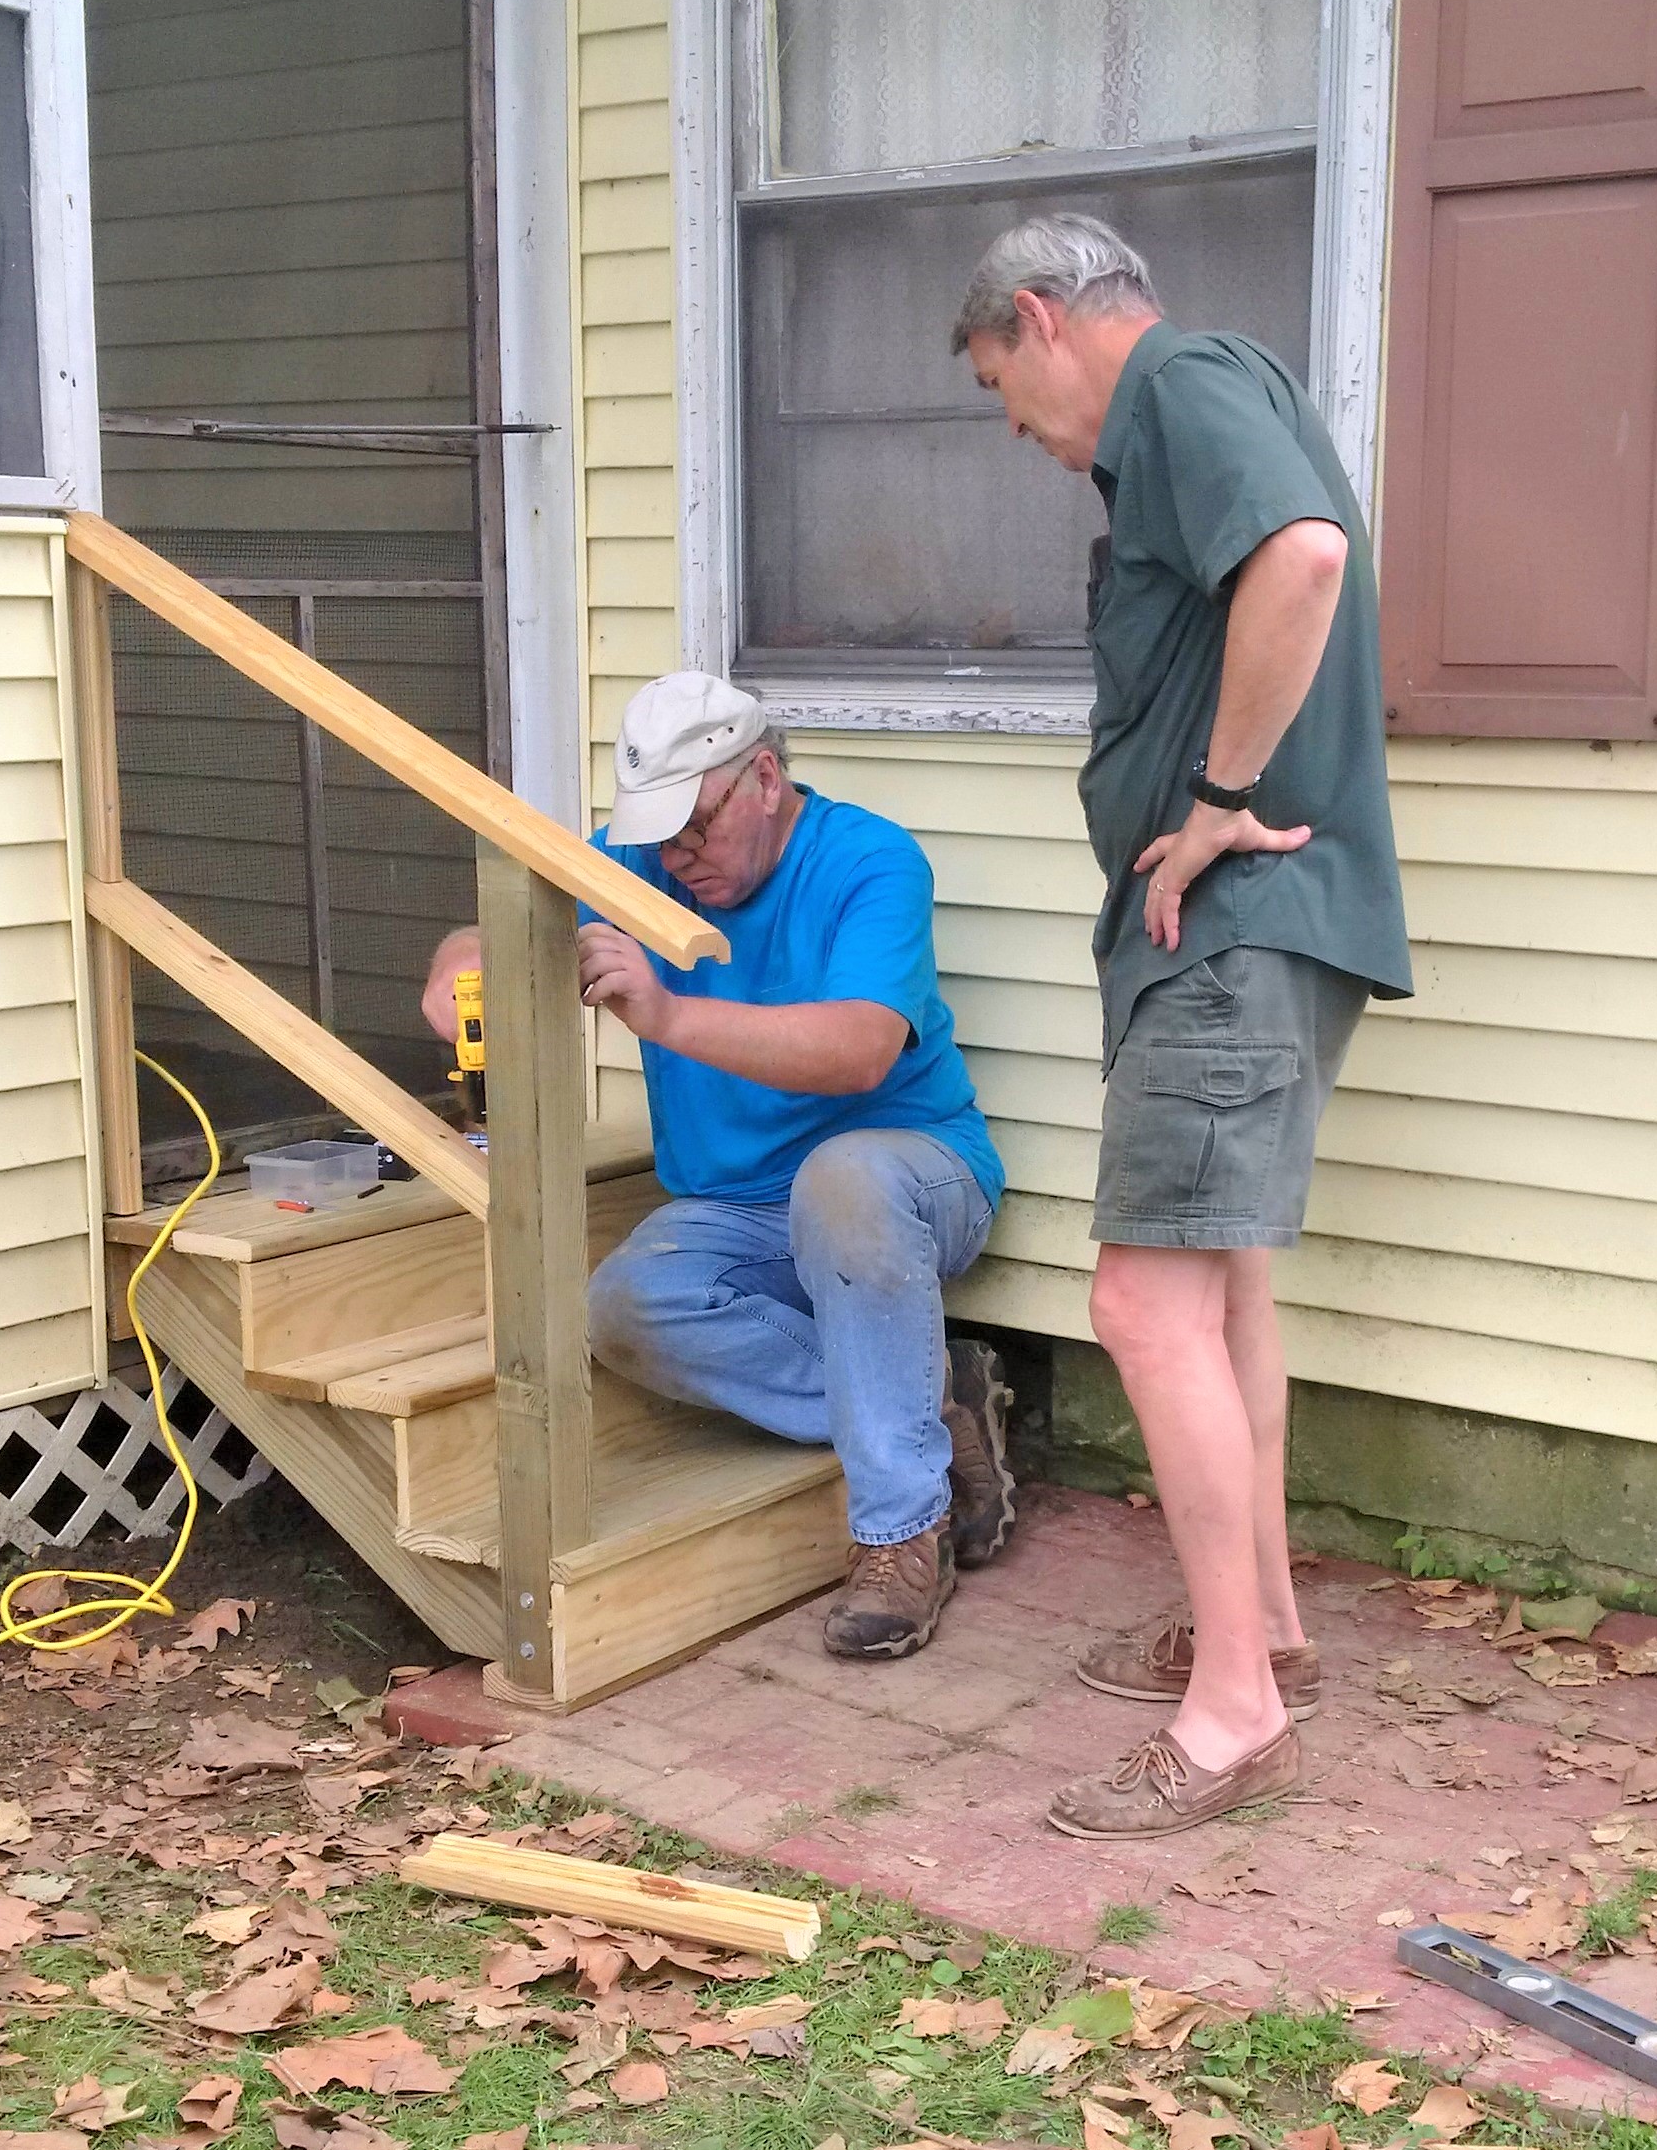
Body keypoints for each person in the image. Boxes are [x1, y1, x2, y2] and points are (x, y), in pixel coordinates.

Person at [951, 215, 1411, 1840]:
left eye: (1012, 394)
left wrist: (1214, 803)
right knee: (1216, 1290)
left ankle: (1234, 1705)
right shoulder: (1200, 410)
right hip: (1238, 938)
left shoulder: (1179, 383)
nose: (1024, 436)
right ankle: (1262, 1620)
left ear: (1041, 319)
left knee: (1141, 1298)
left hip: (1227, 926)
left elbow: (1301, 556)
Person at [423, 672, 1014, 1659]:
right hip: (737, 1209)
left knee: (843, 1177)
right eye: (659, 836)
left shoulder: (869, 861)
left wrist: (667, 1014)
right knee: (621, 1306)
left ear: (766, 780)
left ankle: (903, 1537)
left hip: (910, 1175)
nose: (677, 858)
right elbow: (499, 919)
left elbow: (860, 1047)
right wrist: (455, 961)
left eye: (696, 829)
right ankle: (933, 1403)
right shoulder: (642, 862)